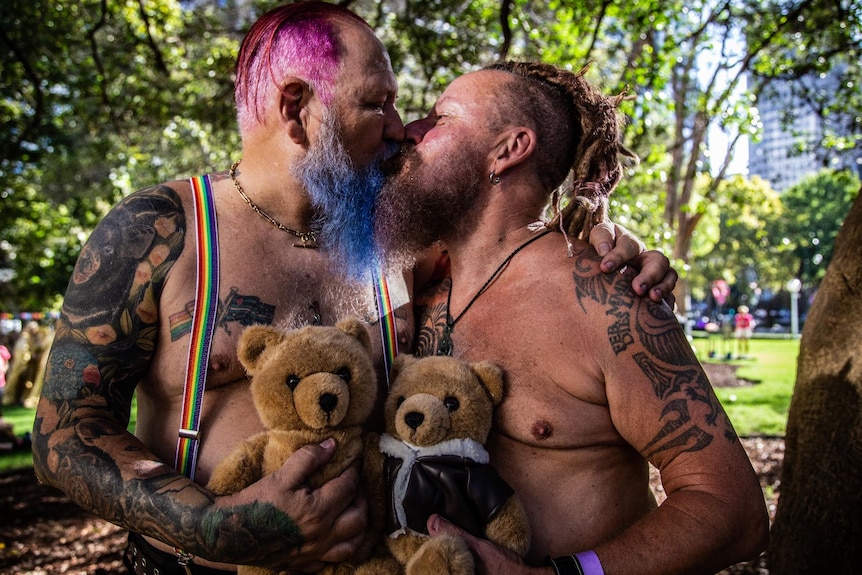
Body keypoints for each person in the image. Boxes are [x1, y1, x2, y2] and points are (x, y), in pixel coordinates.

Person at [31, 4, 674, 574]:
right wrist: (218, 528)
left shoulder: (400, 245)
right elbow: (63, 431)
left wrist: (604, 239)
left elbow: (514, 246)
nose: (399, 126)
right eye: (377, 103)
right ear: (296, 108)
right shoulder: (165, 231)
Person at [374, 61, 769, 574]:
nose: (410, 131)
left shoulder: (606, 298)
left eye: (440, 119)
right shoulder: (412, 288)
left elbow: (732, 508)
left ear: (509, 150)